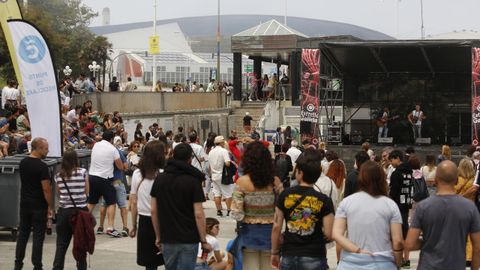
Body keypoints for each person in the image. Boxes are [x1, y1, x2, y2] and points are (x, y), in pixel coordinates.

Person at [405, 160, 480, 270]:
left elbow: (410, 244)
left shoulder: (423, 207)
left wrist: (430, 241)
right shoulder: (470, 208)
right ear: (456, 181)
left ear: (435, 180)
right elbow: (477, 247)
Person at [333, 161, 404, 270]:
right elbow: (398, 241)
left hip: (350, 263)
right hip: (382, 262)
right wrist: (397, 264)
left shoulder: (347, 202)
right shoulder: (390, 204)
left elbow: (336, 234)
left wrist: (357, 250)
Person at [151, 143, 211, 270]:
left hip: (168, 236)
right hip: (189, 237)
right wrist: (203, 239)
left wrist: (158, 236)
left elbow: (153, 210)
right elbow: (199, 214)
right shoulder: (193, 181)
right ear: (190, 159)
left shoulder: (160, 179)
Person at [271, 148, 334, 270]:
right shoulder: (324, 200)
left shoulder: (285, 195)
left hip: (290, 253)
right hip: (315, 255)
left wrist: (274, 252)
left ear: (300, 173)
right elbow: (329, 233)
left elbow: (276, 227)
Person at [231, 141, 282, 270]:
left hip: (249, 234)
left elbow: (236, 212)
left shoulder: (242, 182)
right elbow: (282, 208)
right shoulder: (275, 181)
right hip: (271, 234)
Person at [14, 137, 53, 270]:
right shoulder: (42, 167)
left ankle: (18, 263)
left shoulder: (23, 163)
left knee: (23, 234)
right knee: (38, 236)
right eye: (46, 148)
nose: (47, 151)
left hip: (25, 204)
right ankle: (37, 265)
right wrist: (50, 206)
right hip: (38, 205)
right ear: (39, 148)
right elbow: (46, 189)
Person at [129, 141, 166, 270]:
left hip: (144, 220)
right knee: (169, 258)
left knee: (150, 263)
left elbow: (133, 201)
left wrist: (133, 225)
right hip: (163, 219)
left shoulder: (137, 174)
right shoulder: (163, 173)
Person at [53, 150, 89, 270]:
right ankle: (81, 267)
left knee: (61, 244)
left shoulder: (58, 176)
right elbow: (86, 191)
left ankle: (57, 267)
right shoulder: (83, 172)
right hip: (80, 211)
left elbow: (59, 193)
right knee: (80, 243)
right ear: (76, 159)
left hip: (64, 212)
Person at [87, 131, 124, 237]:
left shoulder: (96, 145)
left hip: (92, 176)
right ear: (112, 139)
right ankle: (110, 227)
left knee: (91, 202)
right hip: (105, 178)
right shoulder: (113, 149)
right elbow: (120, 166)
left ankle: (81, 223)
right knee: (111, 202)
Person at [97, 137, 129, 236]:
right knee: (122, 205)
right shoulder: (117, 152)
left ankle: (100, 226)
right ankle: (125, 227)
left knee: (104, 204)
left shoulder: (102, 152)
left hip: (106, 181)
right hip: (117, 181)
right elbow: (125, 166)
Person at [388, 149, 413, 268]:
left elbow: (393, 191)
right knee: (405, 231)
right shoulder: (410, 172)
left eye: (392, 159)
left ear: (397, 158)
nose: (391, 162)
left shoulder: (396, 173)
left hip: (397, 206)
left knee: (397, 234)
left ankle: (397, 259)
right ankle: (406, 259)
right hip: (406, 204)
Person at [454, 158, 479, 266]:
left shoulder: (458, 180)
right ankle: (470, 256)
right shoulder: (474, 180)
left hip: (459, 208)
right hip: (472, 208)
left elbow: (452, 194)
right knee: (471, 233)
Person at [208, 136, 233, 217]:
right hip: (222, 175)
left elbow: (210, 165)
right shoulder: (224, 151)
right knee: (228, 193)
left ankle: (219, 210)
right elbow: (227, 163)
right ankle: (229, 210)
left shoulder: (211, 151)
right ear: (222, 142)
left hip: (214, 175)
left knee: (217, 193)